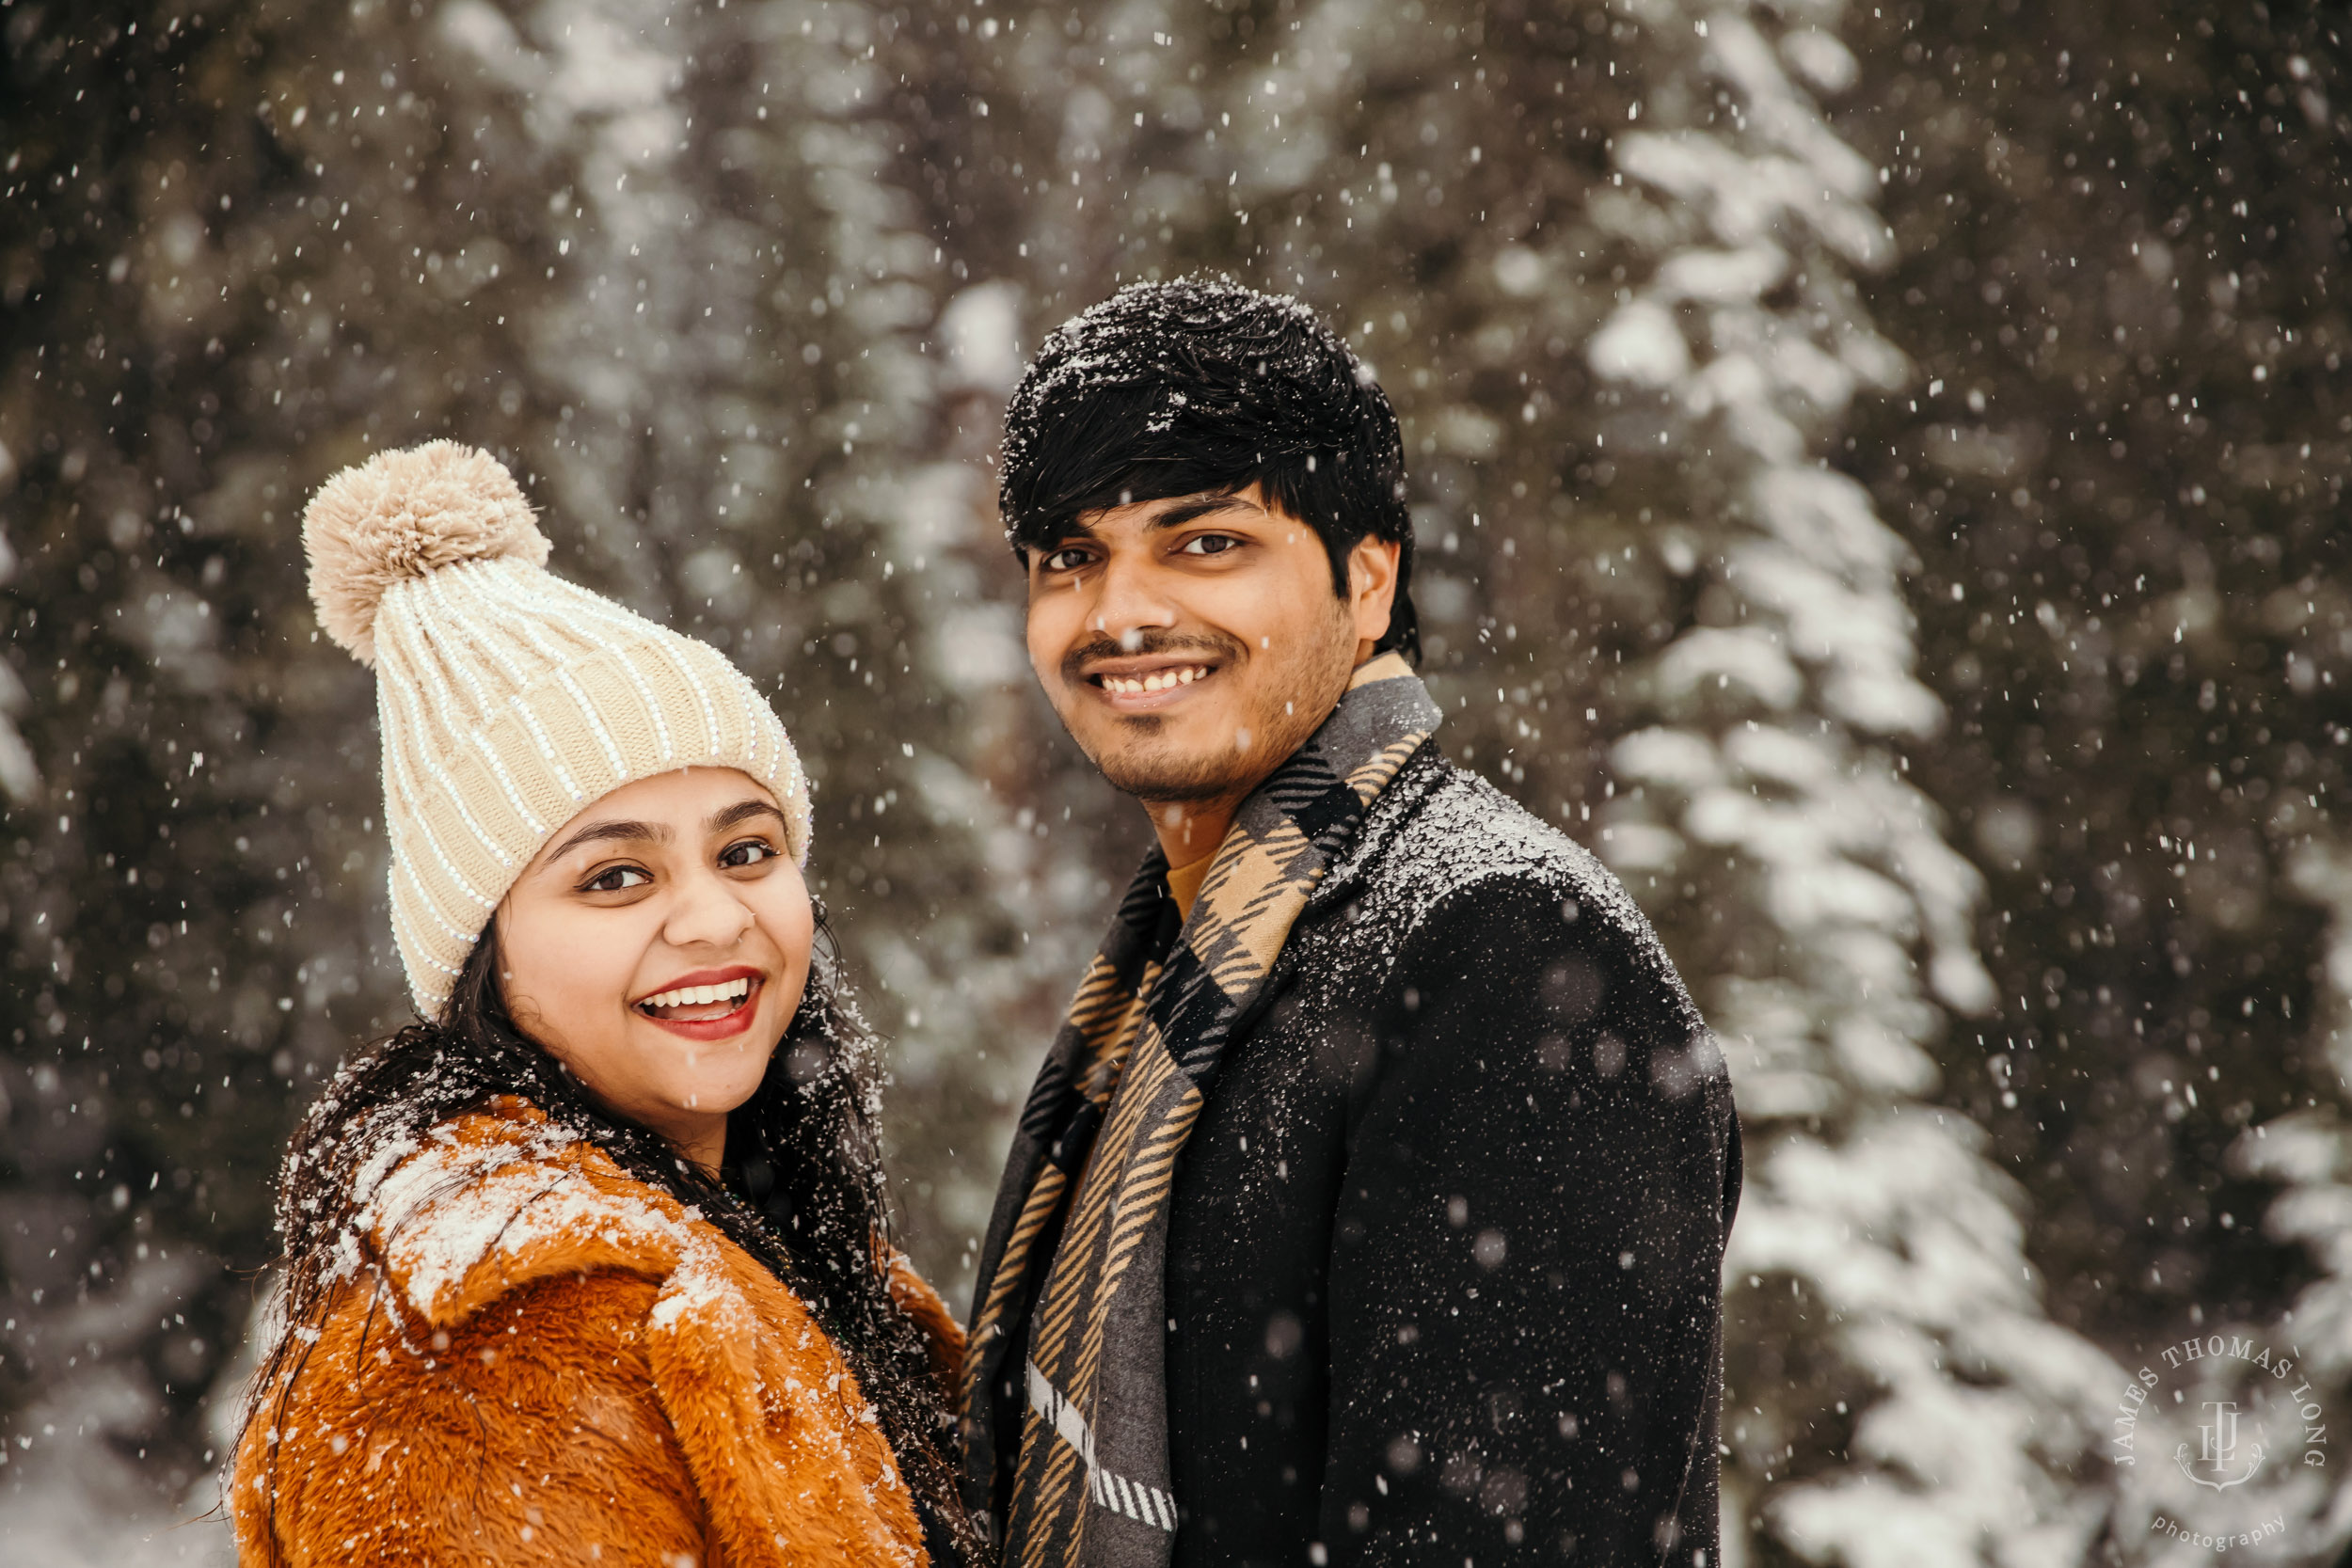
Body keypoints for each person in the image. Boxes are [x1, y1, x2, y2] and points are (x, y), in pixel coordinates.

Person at [958, 279, 1742, 1568]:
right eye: (1071, 556)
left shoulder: (1506, 954)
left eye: (1205, 541)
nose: (1121, 612)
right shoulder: (1190, 960)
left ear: (1367, 577)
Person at [230, 441, 979, 1567]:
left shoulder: (779, 1236)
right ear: (486, 954)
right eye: (614, 876)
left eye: (746, 848)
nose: (715, 918)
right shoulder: (485, 1346)